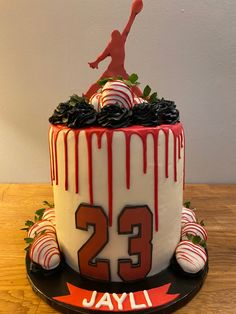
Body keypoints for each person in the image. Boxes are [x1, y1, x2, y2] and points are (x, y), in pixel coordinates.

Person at [85, 0, 143, 98]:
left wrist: (133, 14)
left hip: (119, 69)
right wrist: (95, 62)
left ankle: (143, 98)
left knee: (131, 85)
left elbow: (127, 28)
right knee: (99, 83)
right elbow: (102, 56)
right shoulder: (115, 44)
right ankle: (86, 96)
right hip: (112, 70)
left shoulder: (118, 42)